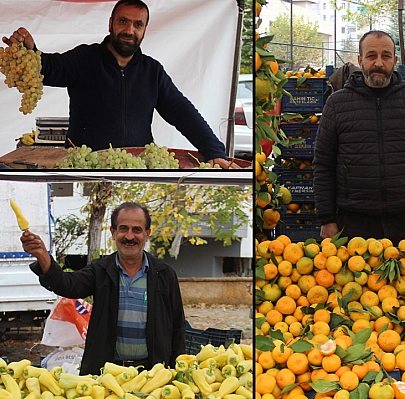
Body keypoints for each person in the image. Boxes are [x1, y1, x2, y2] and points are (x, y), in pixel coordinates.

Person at [2, 0, 236, 168]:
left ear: (144, 30)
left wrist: (214, 150)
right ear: (111, 23)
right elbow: (51, 68)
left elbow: (182, 112)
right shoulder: (85, 59)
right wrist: (29, 52)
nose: (129, 30)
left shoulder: (152, 71)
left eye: (137, 24)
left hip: (138, 169)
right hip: (86, 170)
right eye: (123, 22)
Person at [20, 202, 185, 375]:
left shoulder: (164, 274)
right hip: (105, 373)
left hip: (151, 373)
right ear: (113, 232)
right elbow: (68, 285)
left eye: (137, 229)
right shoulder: (100, 270)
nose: (129, 236)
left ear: (147, 234)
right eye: (123, 229)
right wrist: (43, 256)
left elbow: (177, 327)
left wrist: (176, 370)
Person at [313, 30, 405, 243]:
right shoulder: (337, 104)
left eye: (386, 56)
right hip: (353, 222)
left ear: (395, 60)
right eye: (371, 55)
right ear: (360, 60)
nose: (379, 63)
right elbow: (323, 164)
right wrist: (327, 218)